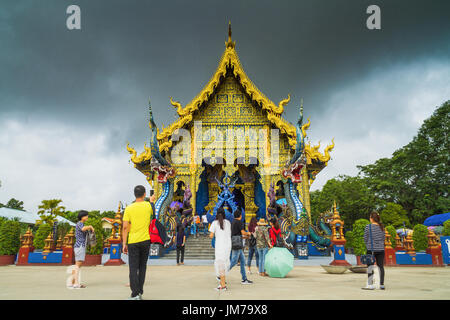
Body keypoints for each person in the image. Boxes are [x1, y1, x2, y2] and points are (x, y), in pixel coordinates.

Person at [122, 185, 153, 300]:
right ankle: (140, 291)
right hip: (146, 240)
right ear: (144, 194)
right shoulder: (148, 206)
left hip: (133, 241)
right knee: (142, 267)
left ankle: (135, 294)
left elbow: (125, 227)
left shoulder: (129, 208)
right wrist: (151, 201)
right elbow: (153, 215)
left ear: (134, 194)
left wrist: (124, 243)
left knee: (133, 267)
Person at [68, 210, 94, 289]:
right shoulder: (80, 223)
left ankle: (71, 282)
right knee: (77, 265)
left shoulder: (81, 224)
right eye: (86, 215)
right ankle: (76, 283)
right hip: (80, 246)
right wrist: (90, 226)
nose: (87, 217)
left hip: (79, 246)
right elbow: (83, 229)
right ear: (82, 217)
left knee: (77, 265)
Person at [209, 208, 231, 291]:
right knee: (224, 264)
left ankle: (223, 286)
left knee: (220, 265)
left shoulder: (215, 223)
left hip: (219, 246)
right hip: (227, 246)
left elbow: (211, 235)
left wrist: (213, 233)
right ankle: (222, 283)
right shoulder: (228, 223)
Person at [362, 211, 386, 290]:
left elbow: (365, 238)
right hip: (381, 249)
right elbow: (383, 238)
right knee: (381, 266)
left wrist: (368, 245)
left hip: (371, 249)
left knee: (370, 267)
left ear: (372, 218)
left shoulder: (368, 227)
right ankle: (381, 284)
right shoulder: (382, 227)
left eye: (370, 217)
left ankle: (370, 284)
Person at [229, 209, 253, 285]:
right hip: (238, 244)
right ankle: (222, 274)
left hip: (234, 241)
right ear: (240, 215)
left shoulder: (232, 222)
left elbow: (236, 234)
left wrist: (244, 237)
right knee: (234, 261)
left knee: (242, 261)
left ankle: (244, 278)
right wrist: (248, 233)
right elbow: (242, 232)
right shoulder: (239, 222)